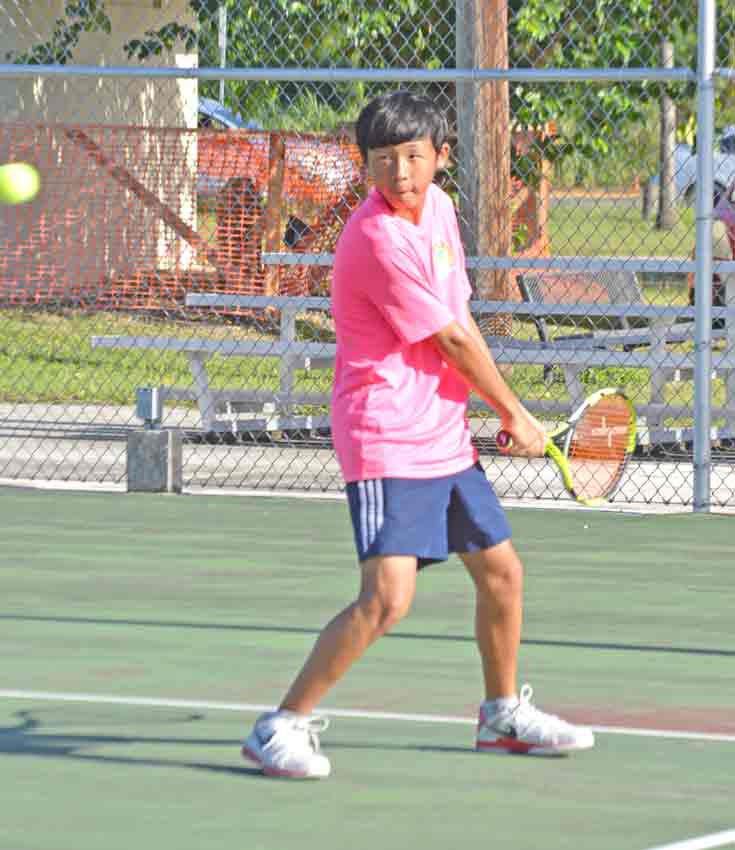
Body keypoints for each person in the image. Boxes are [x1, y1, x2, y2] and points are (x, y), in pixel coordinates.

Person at [243, 91, 595, 779]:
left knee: (501, 572)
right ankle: (279, 726)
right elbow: (451, 338)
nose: (399, 173)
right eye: (383, 160)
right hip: (386, 434)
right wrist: (514, 412)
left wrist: (492, 409)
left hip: (441, 431)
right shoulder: (375, 238)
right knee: (387, 600)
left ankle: (500, 715)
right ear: (365, 164)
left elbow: (458, 315)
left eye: (412, 156)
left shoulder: (438, 211)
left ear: (441, 156)